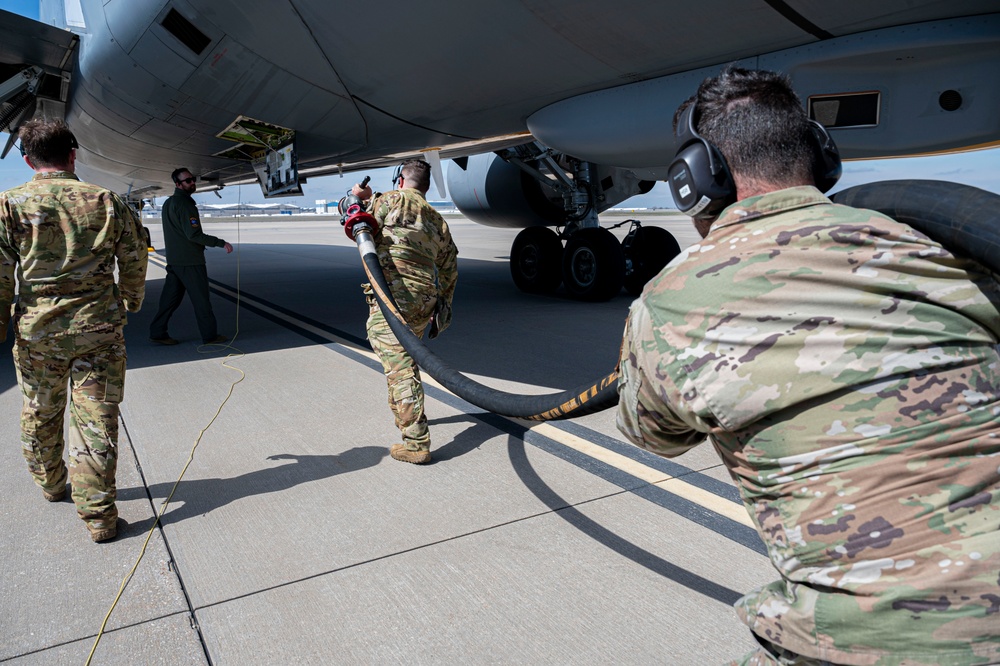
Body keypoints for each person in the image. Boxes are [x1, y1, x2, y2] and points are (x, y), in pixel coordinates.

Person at [616, 67, 1000, 665]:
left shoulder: (668, 302)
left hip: (874, 641)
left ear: (694, 178)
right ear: (822, 156)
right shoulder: (932, 249)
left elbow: (652, 434)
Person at [0, 119, 148, 543]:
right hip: (98, 331)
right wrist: (131, 301)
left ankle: (51, 484)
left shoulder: (9, 205)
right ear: (72, 154)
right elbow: (135, 257)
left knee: (40, 410)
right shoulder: (108, 201)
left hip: (37, 334)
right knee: (96, 420)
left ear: (28, 160)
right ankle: (99, 517)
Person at [352, 159, 458, 464]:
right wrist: (443, 305)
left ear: (400, 179)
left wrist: (360, 196)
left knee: (400, 368)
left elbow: (357, 220)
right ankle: (404, 419)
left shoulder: (388, 202)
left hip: (393, 298)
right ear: (425, 186)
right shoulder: (437, 219)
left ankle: (416, 442)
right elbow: (450, 266)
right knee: (402, 358)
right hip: (423, 301)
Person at [148, 167, 233, 345]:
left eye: (193, 179)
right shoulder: (185, 204)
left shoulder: (169, 203)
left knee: (169, 301)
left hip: (175, 261)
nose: (192, 183)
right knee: (202, 301)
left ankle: (157, 332)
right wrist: (220, 242)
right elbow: (193, 235)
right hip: (190, 261)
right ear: (178, 184)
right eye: (188, 181)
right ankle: (210, 336)